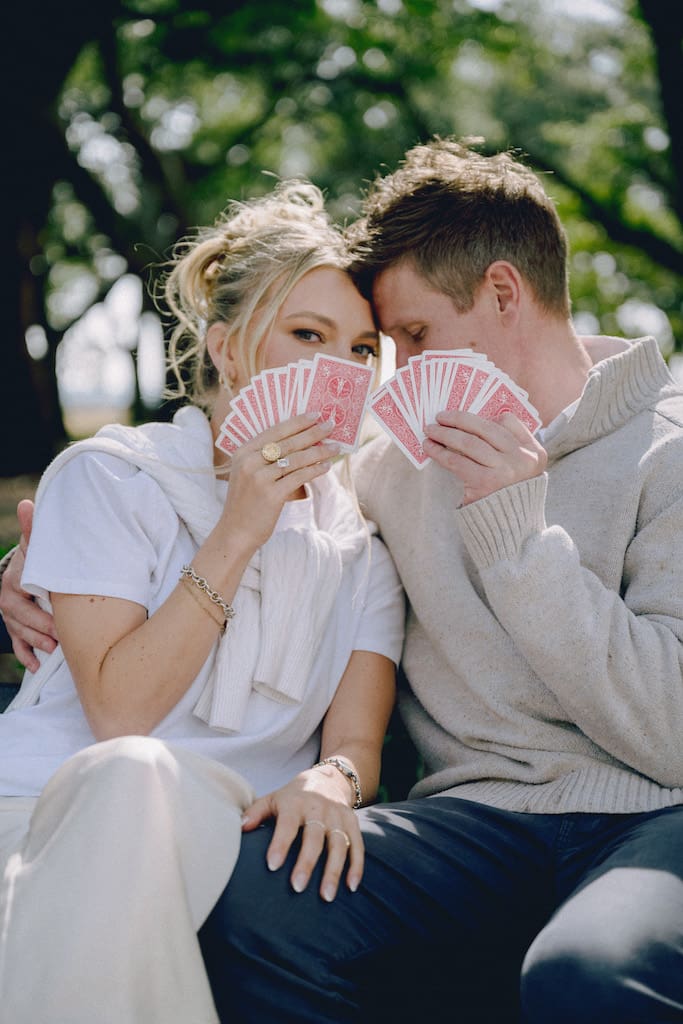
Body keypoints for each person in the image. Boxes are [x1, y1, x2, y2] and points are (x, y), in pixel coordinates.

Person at [4, 137, 683, 1023]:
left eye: (401, 338)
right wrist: (34, 566)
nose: (382, 374)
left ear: (504, 292)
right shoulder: (386, 468)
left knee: (586, 978)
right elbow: (211, 489)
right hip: (470, 825)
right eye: (373, 345)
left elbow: (669, 733)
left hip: (649, 817)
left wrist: (518, 533)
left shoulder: (665, 453)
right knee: (254, 897)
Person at [0, 181, 403, 1024]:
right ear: (227, 349)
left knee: (141, 781)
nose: (341, 370)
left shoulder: (362, 538)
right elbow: (122, 715)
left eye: (363, 349)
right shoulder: (110, 477)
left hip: (224, 823)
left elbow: (353, 745)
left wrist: (331, 781)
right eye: (307, 334)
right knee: (129, 771)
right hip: (41, 807)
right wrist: (237, 529)